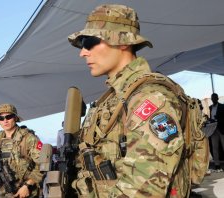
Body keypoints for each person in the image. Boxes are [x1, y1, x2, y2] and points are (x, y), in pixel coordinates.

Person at [67, 4, 190, 197]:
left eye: (89, 42)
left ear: (123, 41)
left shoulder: (149, 97)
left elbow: (146, 186)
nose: (82, 52)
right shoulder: (115, 98)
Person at [0, 103, 44, 198]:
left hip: (26, 192)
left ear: (15, 118)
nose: (5, 121)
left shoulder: (29, 139)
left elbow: (42, 165)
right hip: (2, 193)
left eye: (9, 116)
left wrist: (27, 185)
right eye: (1, 118)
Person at [209, 93, 224, 172]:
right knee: (215, 147)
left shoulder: (222, 106)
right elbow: (211, 118)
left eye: (214, 98)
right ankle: (217, 165)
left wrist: (217, 119)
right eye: (212, 98)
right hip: (213, 130)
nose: (213, 99)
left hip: (221, 129)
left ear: (217, 98)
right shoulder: (210, 107)